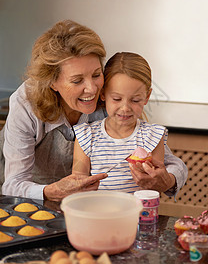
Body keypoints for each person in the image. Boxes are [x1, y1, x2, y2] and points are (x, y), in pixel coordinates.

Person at [0, 20, 187, 201]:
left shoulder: (112, 98)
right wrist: (51, 191)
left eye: (96, 74)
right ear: (52, 82)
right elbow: (13, 185)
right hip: (29, 202)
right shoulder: (26, 103)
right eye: (77, 80)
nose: (92, 89)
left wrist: (167, 180)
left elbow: (172, 164)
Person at [72, 52, 186, 196]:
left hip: (139, 216)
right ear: (102, 94)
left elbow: (154, 188)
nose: (125, 108)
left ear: (147, 97)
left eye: (135, 100)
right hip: (97, 214)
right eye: (116, 98)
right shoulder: (86, 136)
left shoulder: (153, 136)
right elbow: (77, 187)